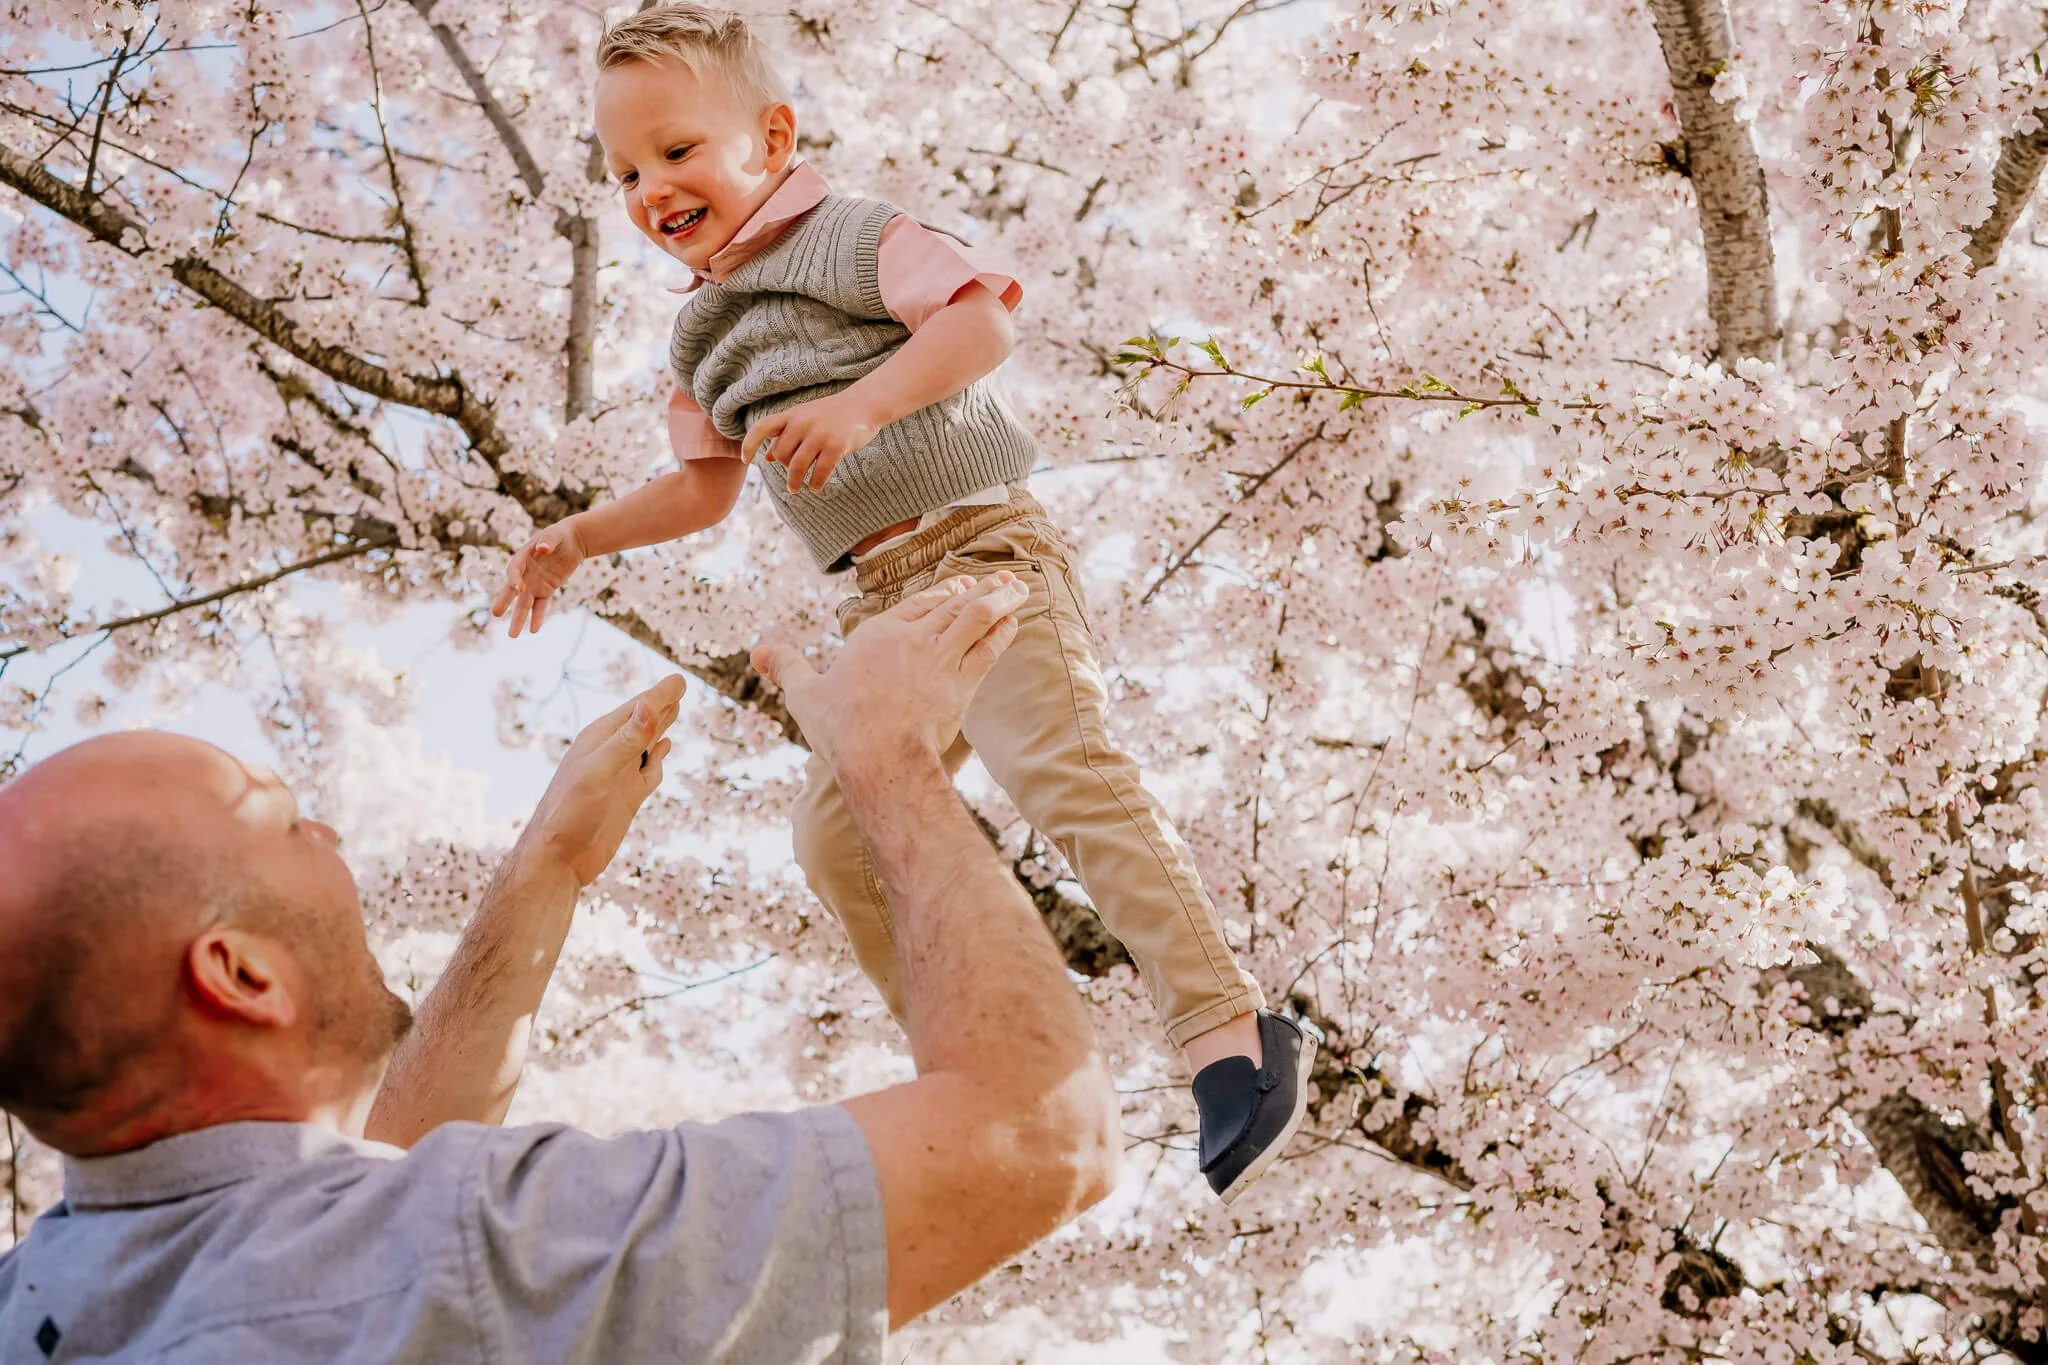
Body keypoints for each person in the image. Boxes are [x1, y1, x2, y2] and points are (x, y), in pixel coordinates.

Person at [489, 1, 1311, 1202]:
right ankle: (978, 1069)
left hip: (979, 550)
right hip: (880, 610)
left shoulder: (850, 234)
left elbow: (979, 322)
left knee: (1057, 768)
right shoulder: (699, 337)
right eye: (623, 172)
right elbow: (703, 487)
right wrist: (577, 535)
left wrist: (862, 405)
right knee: (836, 840)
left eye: (676, 149)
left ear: (771, 140)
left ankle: (1226, 1034)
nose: (650, 187)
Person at [0, 573, 1120, 1362]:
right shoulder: (490, 1252)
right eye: (289, 827)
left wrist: (547, 868)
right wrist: (883, 750)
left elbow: (351, 1218)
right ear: (240, 976)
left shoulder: (49, 1301)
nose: (331, 837)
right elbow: (1032, 1131)